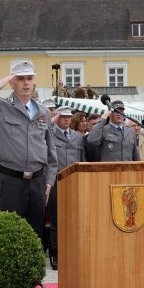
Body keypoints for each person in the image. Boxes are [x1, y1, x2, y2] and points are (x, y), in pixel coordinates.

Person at [0, 60, 58, 237]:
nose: (26, 83)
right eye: (20, 78)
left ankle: (32, 266)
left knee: (35, 234)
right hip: (11, 181)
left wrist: (49, 182)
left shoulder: (42, 111)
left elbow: (50, 150)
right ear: (12, 83)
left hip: (38, 181)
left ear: (34, 82)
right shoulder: (0, 107)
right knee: (10, 233)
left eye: (29, 78)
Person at [48, 105, 85, 269]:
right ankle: (57, 254)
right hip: (56, 179)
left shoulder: (78, 137)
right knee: (56, 219)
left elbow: (82, 159)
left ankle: (74, 253)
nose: (66, 119)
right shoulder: (50, 135)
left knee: (74, 219)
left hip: (74, 181)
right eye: (63, 116)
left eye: (69, 117)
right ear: (57, 117)